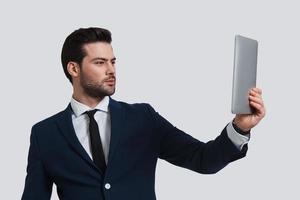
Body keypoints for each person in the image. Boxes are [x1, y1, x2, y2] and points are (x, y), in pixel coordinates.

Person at [21, 27, 265, 200]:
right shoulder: (45, 134)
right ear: (73, 68)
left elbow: (203, 159)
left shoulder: (143, 118)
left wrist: (240, 127)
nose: (111, 70)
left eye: (113, 61)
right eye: (99, 62)